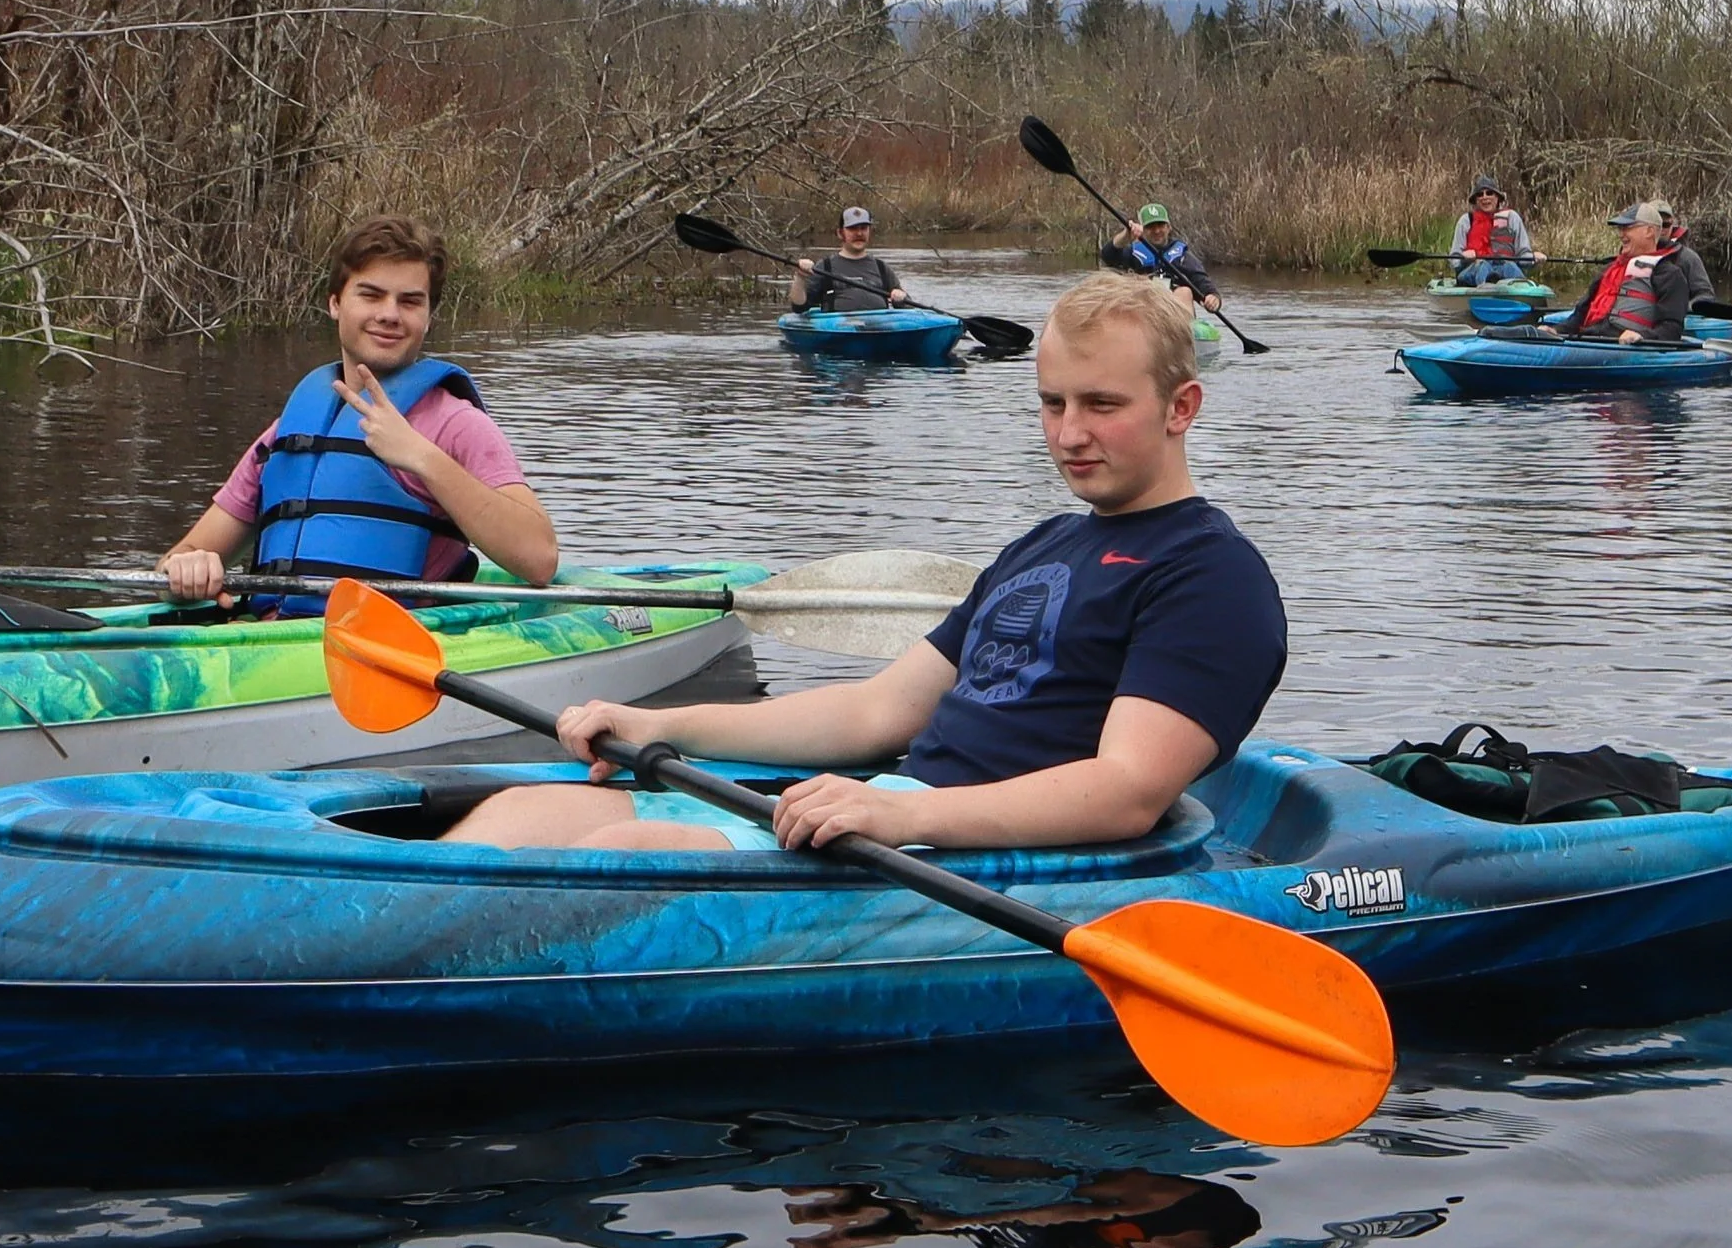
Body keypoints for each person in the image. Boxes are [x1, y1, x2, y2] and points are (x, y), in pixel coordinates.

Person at [439, 272, 1287, 853]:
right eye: (1053, 402)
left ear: (1182, 407)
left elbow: (1127, 791)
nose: (1069, 433)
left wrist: (889, 810)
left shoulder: (1211, 577)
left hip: (972, 857)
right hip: (893, 817)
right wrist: (664, 723)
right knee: (528, 811)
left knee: (628, 848)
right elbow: (877, 712)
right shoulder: (1043, 547)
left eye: (1103, 404)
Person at [159, 216, 557, 603]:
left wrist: (421, 457)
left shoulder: (456, 425)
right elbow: (177, 559)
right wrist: (189, 565)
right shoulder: (288, 431)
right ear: (335, 303)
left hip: (387, 648)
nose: (389, 314)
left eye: (410, 301)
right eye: (371, 295)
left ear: (429, 316)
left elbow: (539, 560)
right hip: (277, 643)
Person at [1547, 198, 1712, 344]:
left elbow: (1671, 330)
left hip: (1624, 346)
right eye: (1620, 228)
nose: (1621, 234)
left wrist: (1643, 336)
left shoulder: (1669, 274)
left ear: (1649, 231)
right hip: (1590, 340)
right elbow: (1579, 315)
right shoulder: (1609, 270)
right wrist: (1557, 330)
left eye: (1627, 227)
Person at [1102, 203, 1225, 319]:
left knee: (1184, 292)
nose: (1156, 231)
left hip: (1175, 317)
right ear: (1143, 229)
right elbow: (1108, 255)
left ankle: (1182, 334)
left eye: (1160, 225)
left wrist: (1213, 299)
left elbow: (1204, 285)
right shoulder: (1132, 254)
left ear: (1168, 227)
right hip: (1144, 312)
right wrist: (1125, 235)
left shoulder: (1182, 256)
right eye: (1150, 227)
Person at [790, 207, 915, 313]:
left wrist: (901, 297)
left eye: (863, 228)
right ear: (840, 233)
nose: (859, 233)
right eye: (853, 228)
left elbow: (908, 306)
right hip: (838, 333)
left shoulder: (881, 267)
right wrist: (800, 277)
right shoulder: (825, 266)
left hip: (878, 332)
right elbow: (799, 307)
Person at [1449, 180, 1535, 287]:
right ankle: (1485, 289)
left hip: (1504, 267)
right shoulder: (1466, 221)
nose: (1485, 197)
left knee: (1510, 266)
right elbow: (1454, 260)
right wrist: (1463, 258)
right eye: (1480, 194)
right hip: (1472, 271)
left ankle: (1519, 291)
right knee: (1483, 266)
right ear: (1476, 200)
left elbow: (1524, 254)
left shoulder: (1512, 218)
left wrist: (1533, 258)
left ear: (1497, 197)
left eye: (1489, 193)